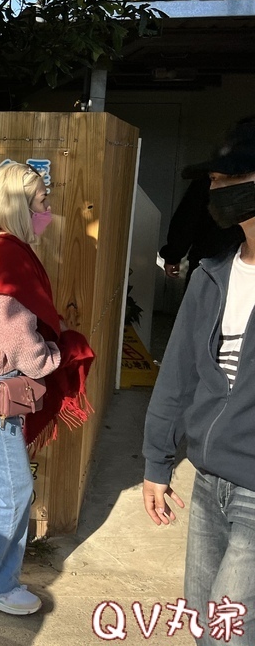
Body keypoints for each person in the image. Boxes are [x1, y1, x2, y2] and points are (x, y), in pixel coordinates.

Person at [0, 161, 93, 616]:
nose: (48, 210)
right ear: (20, 207)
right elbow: (23, 347)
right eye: (42, 202)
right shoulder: (11, 258)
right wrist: (61, 353)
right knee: (12, 489)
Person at [143, 115, 255, 645]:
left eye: (226, 177)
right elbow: (180, 373)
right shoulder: (214, 271)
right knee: (205, 623)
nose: (212, 188)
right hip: (209, 484)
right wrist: (156, 462)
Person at [160, 175, 243, 284]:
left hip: (209, 254)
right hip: (233, 255)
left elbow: (188, 217)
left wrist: (173, 255)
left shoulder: (213, 174)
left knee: (201, 297)